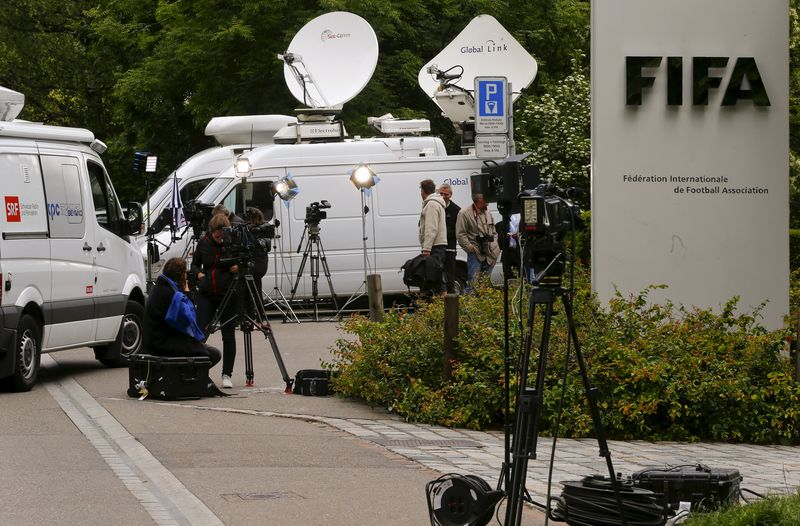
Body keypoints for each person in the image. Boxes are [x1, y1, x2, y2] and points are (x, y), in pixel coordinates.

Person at [143, 257, 221, 367]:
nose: (186, 275)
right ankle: (191, 381)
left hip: (154, 340)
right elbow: (188, 319)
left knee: (200, 348)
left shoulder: (160, 287)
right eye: (185, 272)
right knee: (213, 354)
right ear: (180, 274)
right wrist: (187, 292)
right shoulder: (172, 294)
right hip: (162, 343)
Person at [191, 213, 239, 388]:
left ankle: (227, 374)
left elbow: (248, 261)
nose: (220, 239)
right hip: (207, 293)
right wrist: (198, 274)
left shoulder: (233, 242)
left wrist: (238, 266)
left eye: (222, 235)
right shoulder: (203, 243)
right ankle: (196, 369)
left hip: (228, 293)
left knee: (228, 335)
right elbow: (194, 265)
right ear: (211, 232)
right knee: (199, 333)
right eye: (217, 236)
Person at [456, 193, 500, 289]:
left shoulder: (487, 211)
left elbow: (494, 231)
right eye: (486, 200)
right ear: (480, 200)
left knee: (485, 283)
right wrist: (469, 247)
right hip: (475, 251)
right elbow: (460, 234)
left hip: (491, 252)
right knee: (473, 283)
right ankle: (470, 303)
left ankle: (483, 303)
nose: (488, 203)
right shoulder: (464, 213)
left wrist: (495, 244)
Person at [418, 179, 448, 296]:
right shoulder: (436, 203)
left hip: (434, 246)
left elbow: (431, 228)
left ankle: (444, 304)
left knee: (436, 276)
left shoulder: (431, 204)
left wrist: (426, 249)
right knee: (437, 274)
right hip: (438, 245)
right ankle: (441, 304)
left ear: (423, 191)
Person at [438, 183, 461, 293]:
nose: (443, 196)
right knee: (437, 276)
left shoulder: (456, 210)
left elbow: (458, 230)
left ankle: (452, 303)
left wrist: (442, 231)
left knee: (450, 277)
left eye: (445, 194)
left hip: (449, 248)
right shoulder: (435, 207)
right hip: (437, 247)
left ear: (450, 195)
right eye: (441, 193)